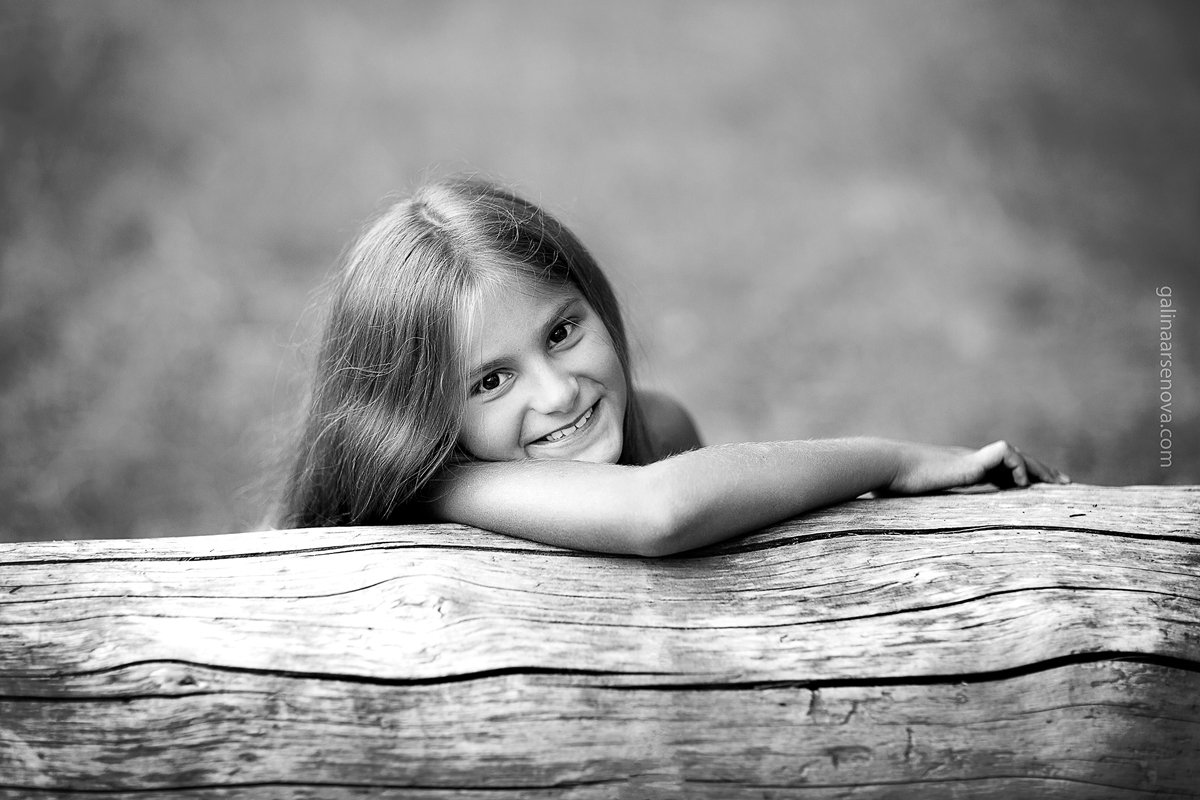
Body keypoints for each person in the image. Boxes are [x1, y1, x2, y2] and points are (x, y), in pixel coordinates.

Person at [279, 177, 1068, 556]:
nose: (558, 392)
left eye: (562, 332)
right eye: (491, 380)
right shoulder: (435, 486)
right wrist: (891, 461)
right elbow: (661, 512)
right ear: (418, 417)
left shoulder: (660, 425)